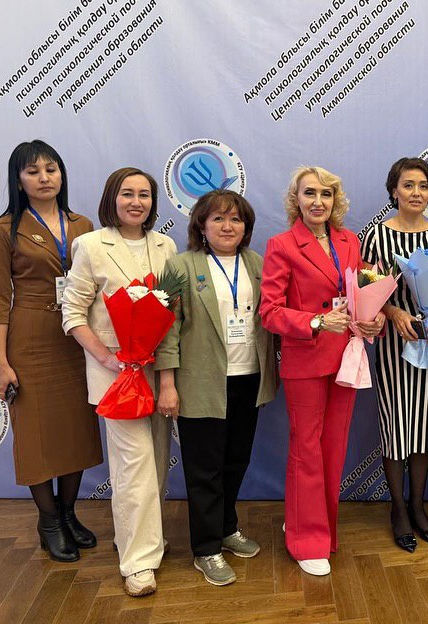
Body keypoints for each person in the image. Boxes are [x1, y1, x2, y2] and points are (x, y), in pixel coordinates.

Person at [260, 166, 385, 576]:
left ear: (335, 200)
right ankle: (306, 538)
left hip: (347, 357)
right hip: (306, 361)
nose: (318, 201)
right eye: (309, 193)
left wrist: (374, 319)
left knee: (333, 447)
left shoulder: (349, 241)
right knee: (307, 449)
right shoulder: (281, 245)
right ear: (296, 199)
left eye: (326, 194)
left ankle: (319, 526)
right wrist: (315, 321)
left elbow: (360, 294)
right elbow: (269, 312)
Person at [0, 140, 103, 563]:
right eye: (33, 171)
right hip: (30, 338)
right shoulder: (5, 229)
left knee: (75, 428)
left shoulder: (83, 224)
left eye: (51, 169)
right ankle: (49, 521)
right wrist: (1, 363)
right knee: (35, 433)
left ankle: (69, 514)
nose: (44, 178)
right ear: (18, 181)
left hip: (77, 337)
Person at [62, 167, 178, 596]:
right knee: (134, 464)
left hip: (158, 370)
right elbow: (72, 313)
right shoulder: (91, 245)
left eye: (144, 195)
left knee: (158, 460)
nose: (136, 202)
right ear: (112, 198)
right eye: (127, 193)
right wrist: (106, 357)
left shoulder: (165, 245)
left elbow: (171, 315)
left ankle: (145, 538)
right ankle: (138, 562)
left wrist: (167, 377)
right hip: (115, 375)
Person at [154, 190, 277, 586]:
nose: (228, 226)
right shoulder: (179, 266)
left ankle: (226, 528)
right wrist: (167, 383)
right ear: (201, 226)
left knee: (235, 461)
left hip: (249, 378)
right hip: (200, 382)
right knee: (204, 469)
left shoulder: (257, 263)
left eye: (236, 219)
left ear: (246, 227)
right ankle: (206, 549)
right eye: (218, 219)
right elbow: (166, 329)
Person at [360, 157, 428, 552]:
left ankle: (418, 505)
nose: (416, 193)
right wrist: (394, 312)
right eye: (408, 185)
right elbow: (368, 289)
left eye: (423, 186)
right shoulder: (376, 236)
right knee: (397, 425)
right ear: (394, 191)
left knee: (425, 426)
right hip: (394, 344)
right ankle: (398, 508)